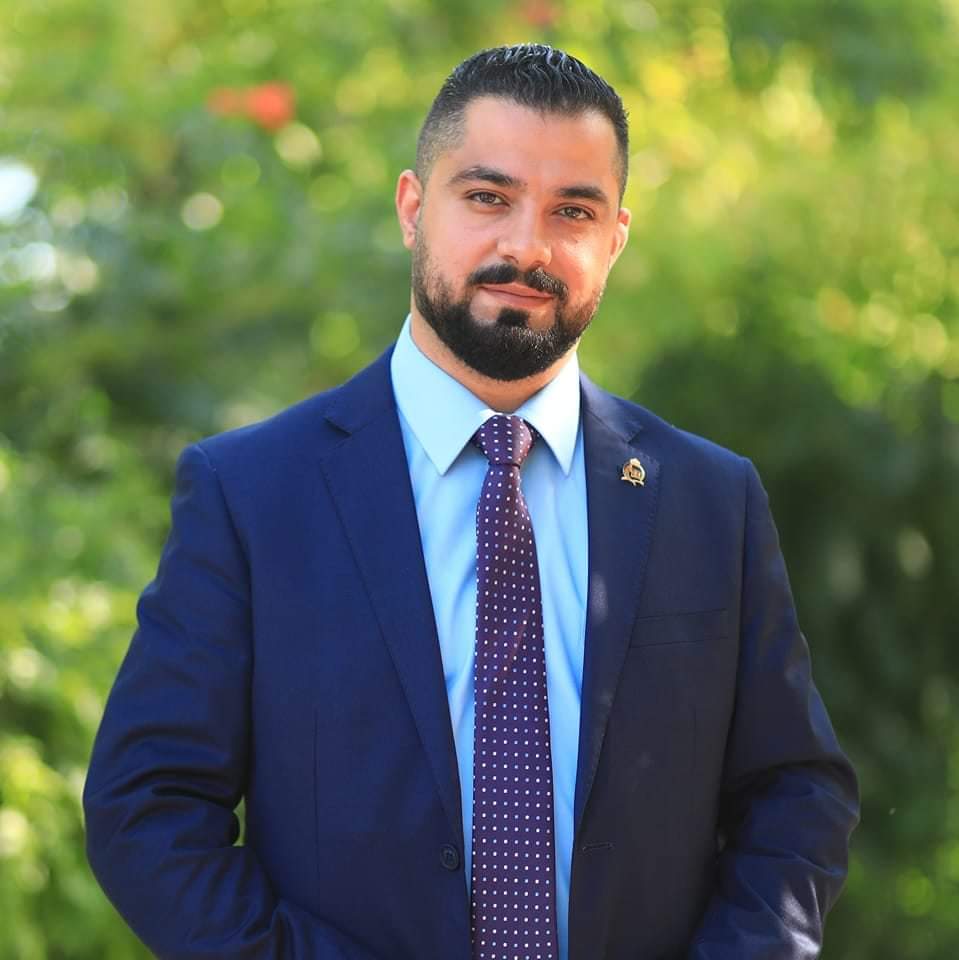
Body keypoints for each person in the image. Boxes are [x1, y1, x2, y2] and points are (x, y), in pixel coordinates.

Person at [84, 44, 859, 960]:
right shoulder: (251, 494)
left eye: (572, 211)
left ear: (614, 238)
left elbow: (793, 792)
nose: (526, 246)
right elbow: (148, 808)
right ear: (413, 207)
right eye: (488, 197)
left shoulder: (709, 500)